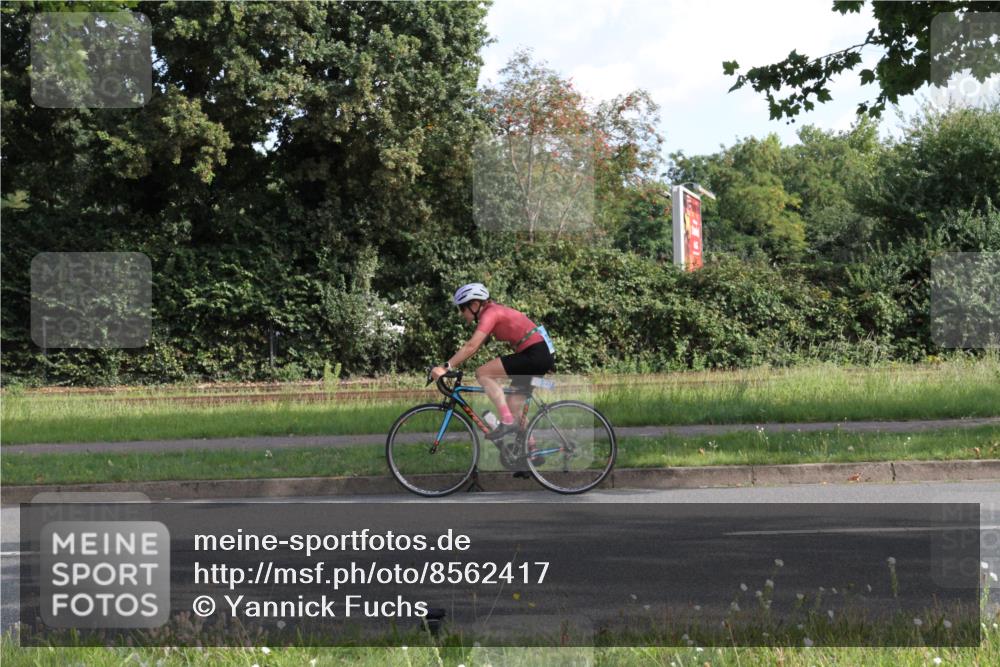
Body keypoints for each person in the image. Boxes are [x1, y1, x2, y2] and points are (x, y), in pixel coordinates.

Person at [430, 282, 555, 441]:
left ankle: (507, 421)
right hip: (538, 354)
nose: (461, 313)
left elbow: (471, 346)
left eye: (462, 308)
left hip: (535, 353)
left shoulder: (491, 313)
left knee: (483, 373)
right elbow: (474, 347)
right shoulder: (494, 312)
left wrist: (445, 367)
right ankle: (531, 450)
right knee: (513, 404)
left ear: (475, 305)